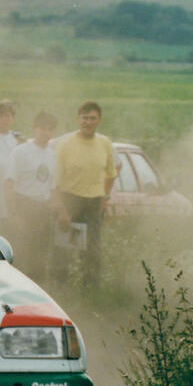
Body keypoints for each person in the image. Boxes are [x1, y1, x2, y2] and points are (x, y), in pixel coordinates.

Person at [53, 101, 117, 285]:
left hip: (94, 202)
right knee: (64, 248)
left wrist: (105, 198)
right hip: (70, 200)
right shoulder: (65, 144)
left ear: (99, 120)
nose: (88, 122)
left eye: (92, 118)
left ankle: (90, 289)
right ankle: (60, 288)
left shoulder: (105, 144)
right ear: (78, 119)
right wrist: (62, 210)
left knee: (92, 250)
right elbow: (55, 182)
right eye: (85, 118)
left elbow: (111, 174)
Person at [4, 111, 58, 280]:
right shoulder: (20, 151)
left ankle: (39, 288)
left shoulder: (52, 155)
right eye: (42, 128)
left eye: (50, 129)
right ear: (35, 128)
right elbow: (8, 183)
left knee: (41, 254)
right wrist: (13, 213)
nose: (46, 132)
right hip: (24, 206)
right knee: (22, 252)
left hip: (43, 209)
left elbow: (53, 187)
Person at [0, 99, 26, 232]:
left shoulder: (19, 140)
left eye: (7, 116)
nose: (4, 119)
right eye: (0, 116)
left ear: (13, 118)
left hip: (14, 191)